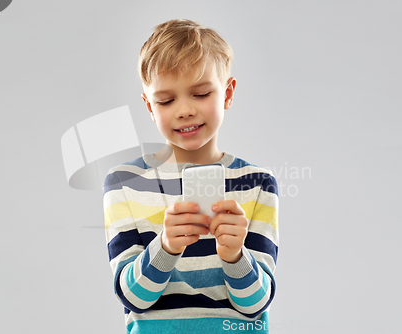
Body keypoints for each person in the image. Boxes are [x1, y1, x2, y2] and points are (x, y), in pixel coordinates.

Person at [102, 19, 279, 333]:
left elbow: (255, 303)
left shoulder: (257, 184)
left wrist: (235, 255)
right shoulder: (124, 183)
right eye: (166, 100)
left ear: (227, 93)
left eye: (200, 94)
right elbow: (132, 298)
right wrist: (166, 246)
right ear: (149, 107)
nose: (183, 110)